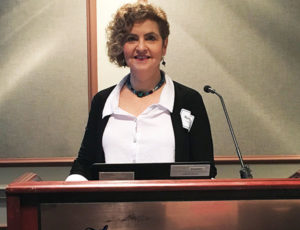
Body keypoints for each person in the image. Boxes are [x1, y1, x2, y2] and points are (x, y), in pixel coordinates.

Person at [67, 2, 216, 181]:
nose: (141, 47)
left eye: (151, 38)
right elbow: (84, 163)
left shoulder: (189, 101)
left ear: (164, 45)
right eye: (131, 38)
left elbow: (204, 169)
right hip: (110, 207)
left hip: (173, 208)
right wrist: (73, 187)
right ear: (122, 46)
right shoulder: (102, 101)